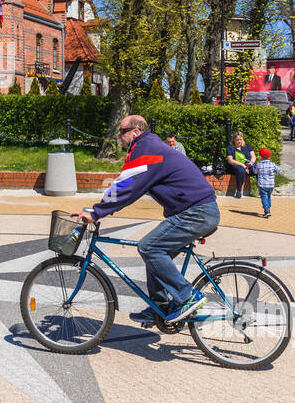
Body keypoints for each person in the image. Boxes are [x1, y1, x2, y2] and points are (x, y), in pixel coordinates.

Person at [78, 116, 219, 325]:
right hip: (197, 210)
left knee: (149, 247)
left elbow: (127, 185)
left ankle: (187, 296)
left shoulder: (147, 149)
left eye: (122, 131)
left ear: (135, 131)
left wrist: (97, 212)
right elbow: (129, 185)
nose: (119, 136)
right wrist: (103, 209)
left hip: (197, 212)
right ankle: (160, 306)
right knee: (156, 257)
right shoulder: (148, 148)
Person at [250, 148, 279, 218]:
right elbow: (279, 170)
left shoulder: (259, 165)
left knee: (263, 197)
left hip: (262, 185)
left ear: (260, 156)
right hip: (271, 185)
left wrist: (254, 167)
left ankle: (267, 210)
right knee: (268, 196)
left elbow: (255, 172)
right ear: (269, 156)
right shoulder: (272, 164)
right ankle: (268, 207)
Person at [226, 131, 255, 198]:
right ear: (234, 140)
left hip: (248, 165)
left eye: (240, 139)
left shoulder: (247, 145)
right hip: (236, 166)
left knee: (259, 168)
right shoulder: (230, 147)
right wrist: (243, 165)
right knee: (241, 170)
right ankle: (239, 191)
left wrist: (251, 163)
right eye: (237, 140)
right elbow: (230, 160)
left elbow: (253, 156)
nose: (239, 141)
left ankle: (262, 189)